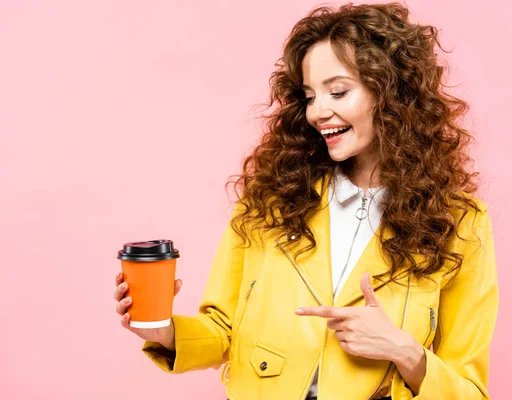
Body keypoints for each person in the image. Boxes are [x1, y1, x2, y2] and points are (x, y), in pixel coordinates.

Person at [114, 2, 498, 399]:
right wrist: (165, 332)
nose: (318, 112)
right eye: (310, 96)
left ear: (393, 93)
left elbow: (469, 390)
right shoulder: (271, 201)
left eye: (338, 91)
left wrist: (405, 351)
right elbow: (223, 330)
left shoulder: (459, 220)